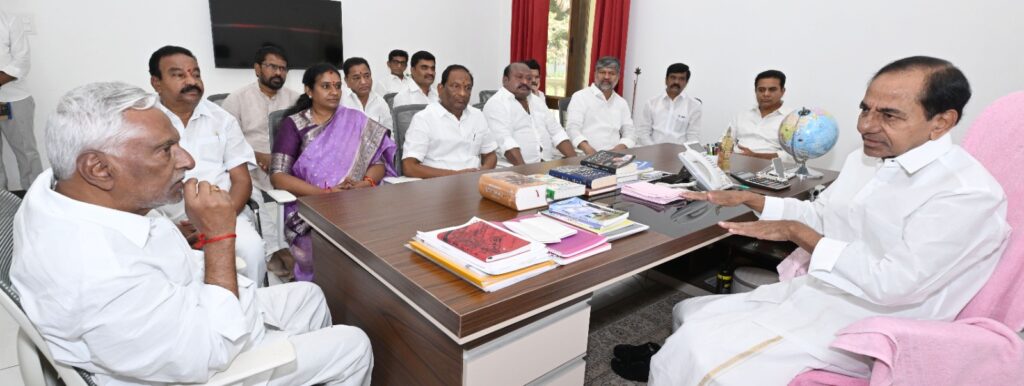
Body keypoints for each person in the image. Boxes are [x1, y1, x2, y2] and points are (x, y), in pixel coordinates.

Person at [642, 56, 1010, 385]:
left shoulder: (966, 193)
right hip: (822, 292)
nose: (866, 125)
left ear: (941, 122)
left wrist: (797, 233)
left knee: (704, 358)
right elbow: (822, 214)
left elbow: (893, 284)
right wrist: (756, 200)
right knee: (690, 313)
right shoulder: (865, 161)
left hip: (868, 324)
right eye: (865, 109)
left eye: (889, 115)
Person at [12, 81, 373, 385]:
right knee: (352, 345)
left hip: (187, 312)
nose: (187, 160)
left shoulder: (58, 191)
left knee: (308, 296)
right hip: (201, 359)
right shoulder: (94, 270)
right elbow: (212, 349)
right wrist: (219, 237)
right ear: (99, 169)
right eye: (165, 150)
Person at [148, 45, 265, 286]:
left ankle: (248, 315)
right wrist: (167, 227)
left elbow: (242, 180)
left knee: (251, 251)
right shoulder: (144, 122)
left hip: (223, 212)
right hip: (162, 221)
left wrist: (219, 217)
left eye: (196, 74)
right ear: (156, 83)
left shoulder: (221, 119)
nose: (191, 81)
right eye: (179, 75)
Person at [270, 63, 397, 282]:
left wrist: (364, 183)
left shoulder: (355, 119)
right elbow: (278, 176)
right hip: (313, 208)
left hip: (359, 201)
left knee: (389, 234)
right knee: (327, 250)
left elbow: (378, 164)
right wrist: (324, 194)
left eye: (337, 86)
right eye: (326, 86)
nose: (334, 92)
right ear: (309, 91)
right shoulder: (294, 125)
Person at [220, 44, 300, 280]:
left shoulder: (296, 99)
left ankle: (302, 251)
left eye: (283, 69)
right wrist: (256, 156)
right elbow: (226, 144)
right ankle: (278, 252)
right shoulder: (236, 100)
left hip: (289, 166)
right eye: (272, 67)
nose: (278, 73)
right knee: (252, 191)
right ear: (257, 69)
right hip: (253, 168)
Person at [402, 64, 497, 178]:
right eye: (455, 86)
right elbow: (409, 167)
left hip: (474, 182)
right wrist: (456, 175)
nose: (463, 93)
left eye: (468, 88)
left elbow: (490, 154)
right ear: (440, 89)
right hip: (439, 184)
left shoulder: (477, 115)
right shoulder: (424, 118)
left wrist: (482, 172)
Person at [483, 62, 574, 166]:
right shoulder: (496, 104)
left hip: (545, 166)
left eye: (529, 78)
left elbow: (557, 133)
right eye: (519, 77)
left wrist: (577, 164)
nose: (525, 82)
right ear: (505, 80)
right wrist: (527, 174)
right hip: (514, 171)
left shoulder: (537, 101)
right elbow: (506, 143)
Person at [0, 11, 42, 191]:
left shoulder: (10, 19)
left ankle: (36, 199)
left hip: (13, 100)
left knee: (26, 153)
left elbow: (22, 61)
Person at [565, 56, 635, 156]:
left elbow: (630, 131)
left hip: (614, 157)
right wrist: (587, 149)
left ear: (618, 77)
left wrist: (619, 148)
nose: (606, 77)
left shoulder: (621, 102)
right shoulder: (580, 97)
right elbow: (572, 129)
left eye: (611, 73)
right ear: (595, 74)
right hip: (585, 156)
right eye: (602, 72)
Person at [724, 70, 793, 161]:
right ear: (755, 91)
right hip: (737, 164)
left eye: (772, 89)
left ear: (782, 91)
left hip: (772, 169)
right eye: (761, 90)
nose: (766, 94)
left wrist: (756, 156)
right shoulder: (742, 116)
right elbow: (724, 141)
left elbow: (793, 156)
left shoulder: (792, 119)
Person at [635, 63, 703, 145]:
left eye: (681, 79)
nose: (676, 82)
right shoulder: (651, 103)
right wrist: (653, 150)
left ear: (686, 82)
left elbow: (693, 138)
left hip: (679, 154)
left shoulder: (694, 106)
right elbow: (643, 132)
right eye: (673, 77)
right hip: (652, 151)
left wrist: (681, 154)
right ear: (666, 80)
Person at [342, 56, 394, 130]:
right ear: (346, 81)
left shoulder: (380, 103)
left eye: (367, 76)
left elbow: (389, 134)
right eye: (357, 78)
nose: (363, 82)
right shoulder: (341, 102)